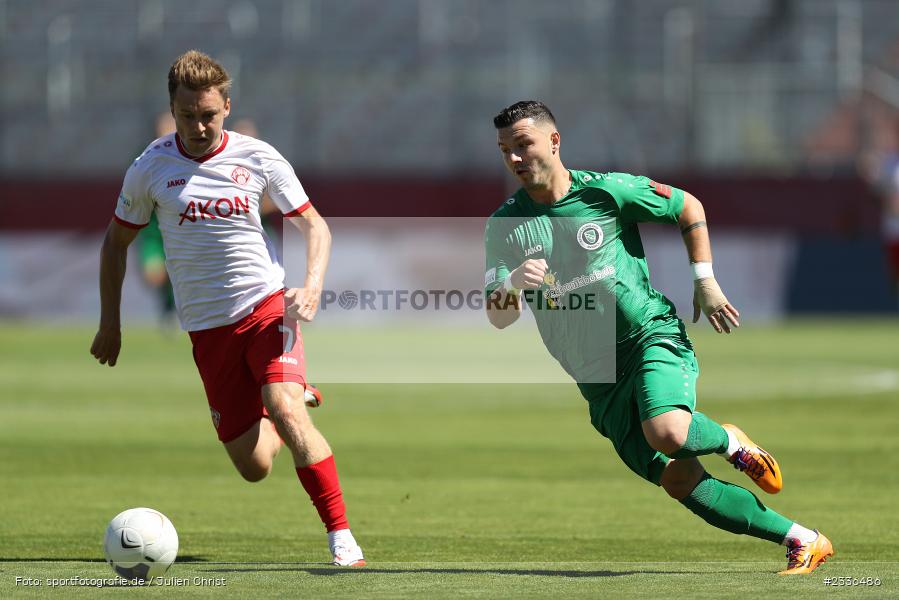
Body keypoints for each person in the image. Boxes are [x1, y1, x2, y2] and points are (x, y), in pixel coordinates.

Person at [483, 101, 832, 575]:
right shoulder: (505, 225)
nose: (515, 159)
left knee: (668, 431)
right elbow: (498, 316)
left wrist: (704, 280)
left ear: (554, 141)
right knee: (679, 480)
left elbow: (688, 205)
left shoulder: (607, 191)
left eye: (523, 144)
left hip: (649, 337)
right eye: (506, 150)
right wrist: (511, 285)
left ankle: (729, 441)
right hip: (596, 378)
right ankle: (804, 539)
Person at [90, 50, 364, 567]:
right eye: (187, 115)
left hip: (266, 305)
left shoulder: (258, 157)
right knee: (256, 464)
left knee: (282, 408)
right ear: (173, 108)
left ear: (226, 106)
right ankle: (287, 395)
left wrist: (309, 287)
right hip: (207, 329)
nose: (198, 126)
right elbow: (114, 244)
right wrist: (111, 322)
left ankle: (342, 539)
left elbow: (315, 225)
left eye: (209, 115)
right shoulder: (150, 168)